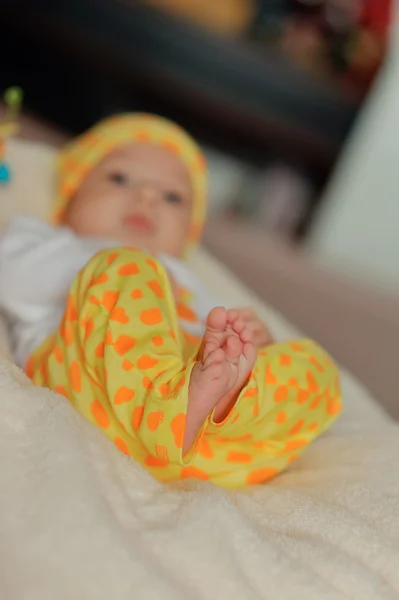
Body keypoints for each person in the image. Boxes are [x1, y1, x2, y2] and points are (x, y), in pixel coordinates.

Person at [0, 113, 342, 488]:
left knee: (316, 366)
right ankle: (175, 408)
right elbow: (11, 277)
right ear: (71, 195)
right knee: (128, 266)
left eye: (173, 197)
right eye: (120, 178)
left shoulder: (187, 280)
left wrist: (251, 352)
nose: (148, 197)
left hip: (199, 451)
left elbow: (214, 339)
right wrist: (103, 263)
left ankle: (223, 407)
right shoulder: (53, 242)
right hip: (98, 394)